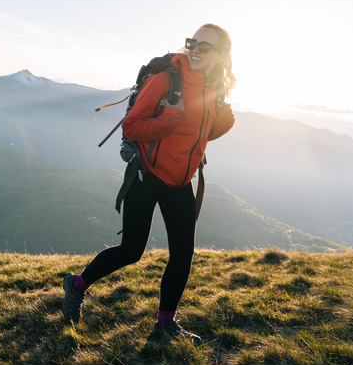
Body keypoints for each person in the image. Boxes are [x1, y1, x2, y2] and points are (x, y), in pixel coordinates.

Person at [62, 24, 236, 344]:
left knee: (182, 255)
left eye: (205, 47)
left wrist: (224, 112)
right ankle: (75, 286)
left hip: (181, 182)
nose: (195, 50)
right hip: (146, 177)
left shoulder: (215, 87)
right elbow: (132, 126)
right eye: (192, 43)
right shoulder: (164, 80)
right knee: (131, 251)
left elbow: (207, 131)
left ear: (221, 56)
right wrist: (171, 120)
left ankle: (165, 325)